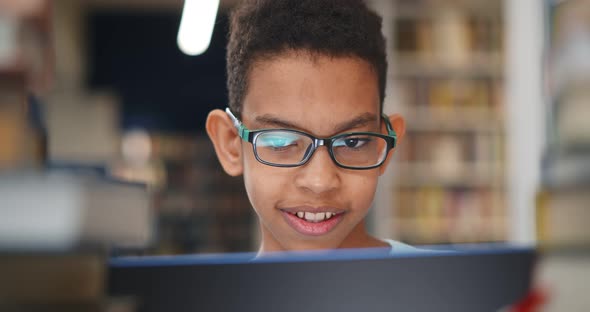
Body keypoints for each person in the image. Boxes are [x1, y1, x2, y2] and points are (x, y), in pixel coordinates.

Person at [206, 0, 413, 254]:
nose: (320, 181)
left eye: (353, 142)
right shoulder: (204, 295)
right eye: (281, 142)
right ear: (230, 145)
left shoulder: (455, 286)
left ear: (386, 145)